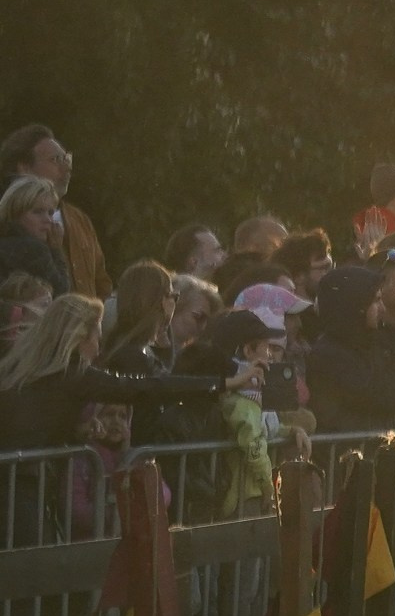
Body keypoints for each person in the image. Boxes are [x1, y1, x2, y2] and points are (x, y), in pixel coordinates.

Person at [0, 294, 242, 453]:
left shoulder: (22, 369)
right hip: (24, 483)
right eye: (97, 338)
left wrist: (76, 431)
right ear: (80, 338)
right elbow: (144, 387)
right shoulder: (73, 374)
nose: (99, 348)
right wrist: (223, 383)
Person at [305, 264, 395, 434]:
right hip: (345, 456)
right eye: (376, 301)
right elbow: (386, 396)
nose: (382, 308)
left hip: (373, 454)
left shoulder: (369, 344)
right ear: (357, 305)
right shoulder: (329, 355)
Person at [0, 128, 106, 296]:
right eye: (55, 160)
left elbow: (101, 283)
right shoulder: (8, 218)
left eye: (67, 159)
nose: (67, 168)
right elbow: (61, 289)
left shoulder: (79, 219)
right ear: (24, 168)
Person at [0, 176, 72, 298]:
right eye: (37, 212)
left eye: (50, 212)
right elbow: (61, 291)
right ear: (16, 212)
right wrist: (56, 249)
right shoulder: (34, 249)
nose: (48, 220)